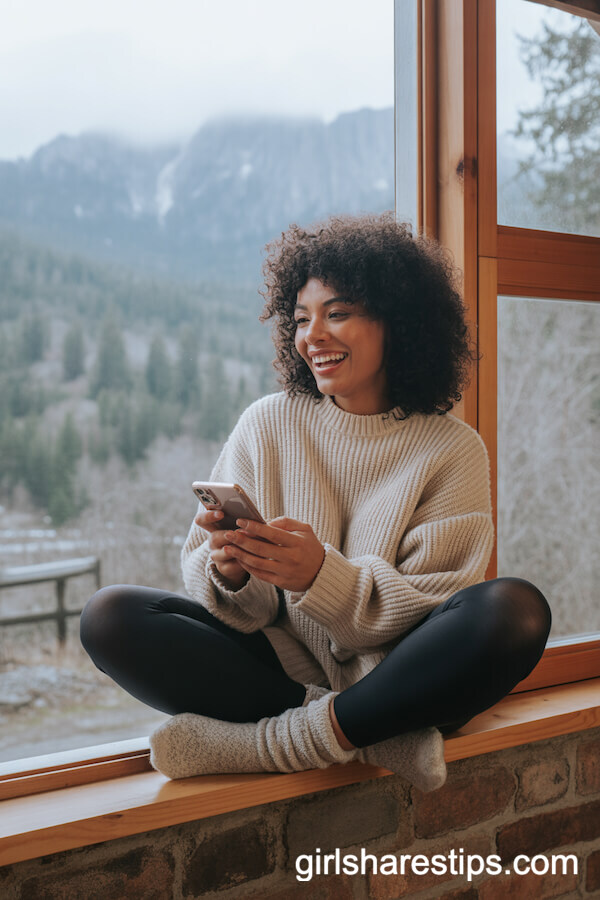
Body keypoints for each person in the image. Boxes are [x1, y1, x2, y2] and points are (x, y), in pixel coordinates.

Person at [80, 213, 551, 791]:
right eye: (302, 318)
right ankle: (365, 734)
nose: (313, 336)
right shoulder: (266, 423)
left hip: (402, 679)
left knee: (515, 611)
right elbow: (241, 610)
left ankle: (269, 744)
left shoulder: (452, 449)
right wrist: (231, 571)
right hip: (286, 671)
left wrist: (321, 576)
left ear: (399, 321)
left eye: (338, 313)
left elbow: (432, 603)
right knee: (109, 616)